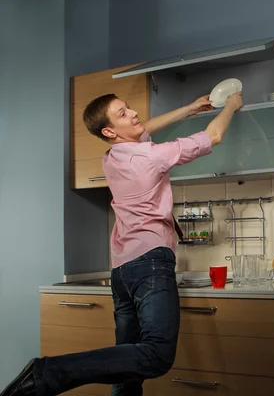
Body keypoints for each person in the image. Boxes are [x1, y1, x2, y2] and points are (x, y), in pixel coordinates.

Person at [1, 91, 243, 396]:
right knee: (156, 355)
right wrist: (232, 105)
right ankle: (46, 374)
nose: (133, 113)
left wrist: (190, 106)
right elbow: (214, 134)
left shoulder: (113, 156)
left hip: (122, 271)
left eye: (128, 107)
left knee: (126, 369)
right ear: (109, 131)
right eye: (122, 113)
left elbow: (146, 128)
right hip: (150, 262)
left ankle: (46, 375)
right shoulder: (150, 156)